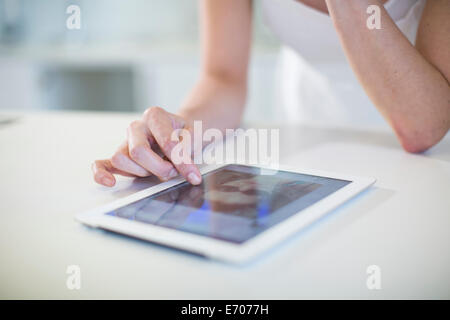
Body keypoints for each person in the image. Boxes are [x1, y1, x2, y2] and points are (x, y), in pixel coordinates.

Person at [92, 0, 450, 187]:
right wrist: (180, 134)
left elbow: (422, 126)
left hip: (432, 158)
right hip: (310, 141)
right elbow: (223, 77)